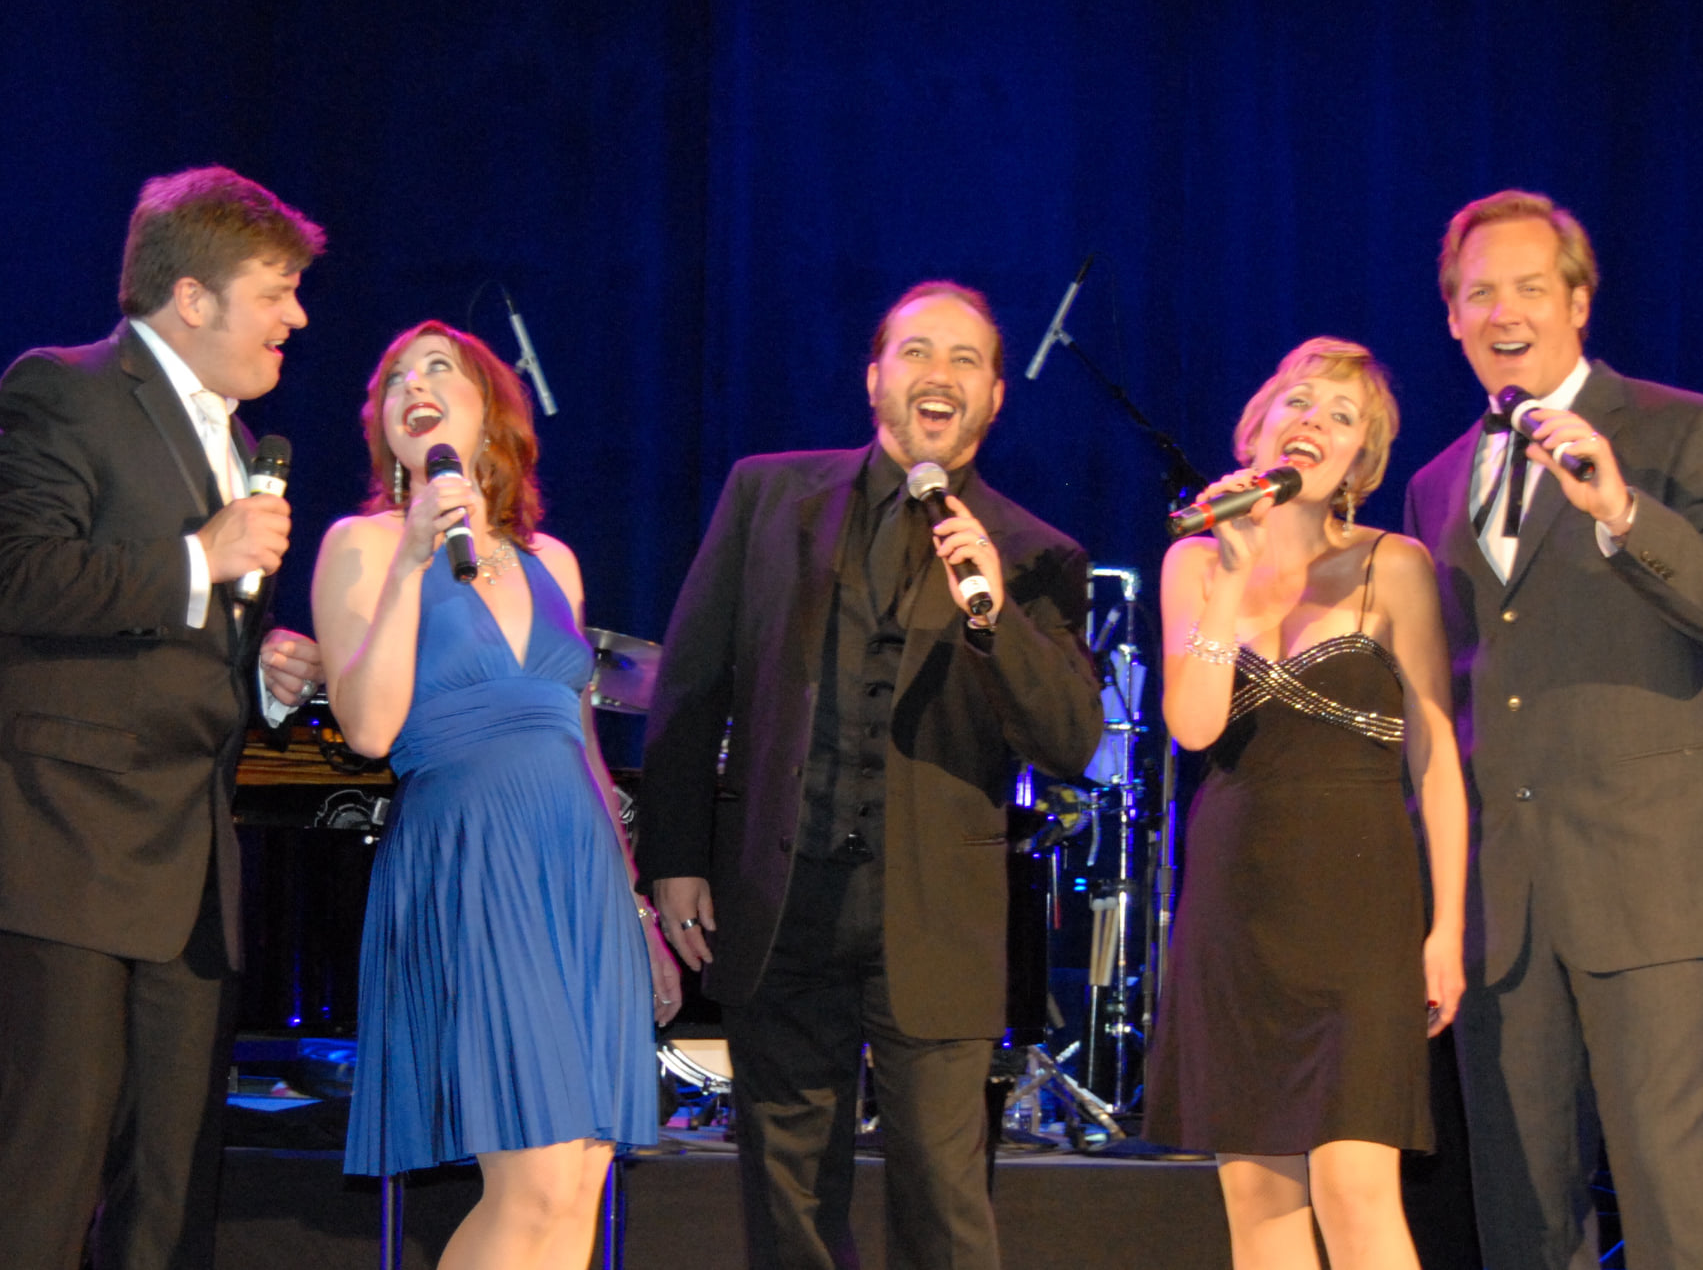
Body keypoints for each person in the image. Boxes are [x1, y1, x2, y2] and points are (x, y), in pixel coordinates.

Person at [637, 281, 1104, 1270]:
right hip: (784, 897)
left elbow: (1069, 738)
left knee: (944, 1209)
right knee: (790, 1201)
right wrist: (674, 856)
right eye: (917, 351)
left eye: (966, 359)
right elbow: (690, 687)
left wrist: (995, 619)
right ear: (875, 376)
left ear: (994, 397)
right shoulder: (768, 494)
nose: (940, 375)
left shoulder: (1031, 554)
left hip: (932, 920)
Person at [0, 165, 328, 1269]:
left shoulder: (237, 442)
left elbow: (176, 637)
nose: (296, 316)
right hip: (65, 835)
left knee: (170, 1175)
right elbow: (8, 576)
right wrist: (199, 558)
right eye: (276, 290)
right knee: (57, 1148)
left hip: (183, 858)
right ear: (192, 296)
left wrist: (261, 676)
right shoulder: (62, 388)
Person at [1404, 189, 1703, 1268]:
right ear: (1450, 317)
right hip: (1503, 903)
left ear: (1579, 300)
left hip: (1649, 886)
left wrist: (1624, 513)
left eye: (1531, 286)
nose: (1504, 310)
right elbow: (1448, 698)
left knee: (1674, 1192)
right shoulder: (1437, 483)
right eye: (1479, 292)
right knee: (1525, 1208)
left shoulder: (1681, 429)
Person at [312, 319, 679, 1269]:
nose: (413, 385)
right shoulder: (360, 544)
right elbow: (368, 729)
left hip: (578, 869)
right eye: (395, 376)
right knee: (538, 1177)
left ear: (491, 416)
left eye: (440, 369)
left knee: (582, 1175)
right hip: (473, 855)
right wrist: (409, 563)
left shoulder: (553, 561)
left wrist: (635, 906)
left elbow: (585, 745)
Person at [1140, 337, 1468, 1269]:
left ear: (1362, 458)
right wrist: (1235, 576)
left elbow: (1437, 757)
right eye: (1298, 403)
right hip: (1239, 907)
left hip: (1362, 910)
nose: (1313, 424)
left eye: (1340, 415)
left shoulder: (1392, 564)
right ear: (1258, 426)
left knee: (1359, 1189)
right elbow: (1195, 728)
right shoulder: (1197, 568)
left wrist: (1445, 929)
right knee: (1260, 1198)